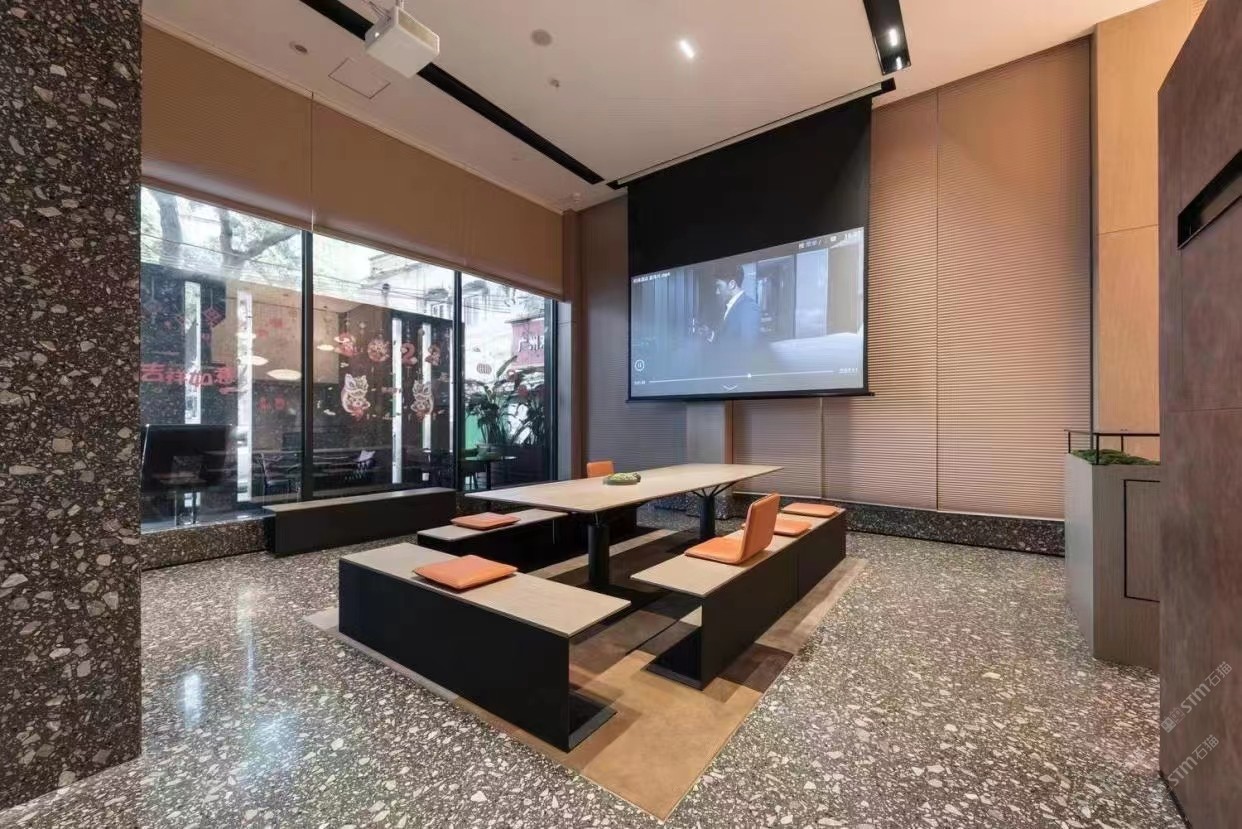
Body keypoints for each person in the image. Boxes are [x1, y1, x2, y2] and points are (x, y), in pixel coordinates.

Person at [710, 271, 761, 346]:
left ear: (732, 284)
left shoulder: (749, 308)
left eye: (719, 286)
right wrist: (711, 335)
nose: (717, 292)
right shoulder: (730, 306)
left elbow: (748, 347)